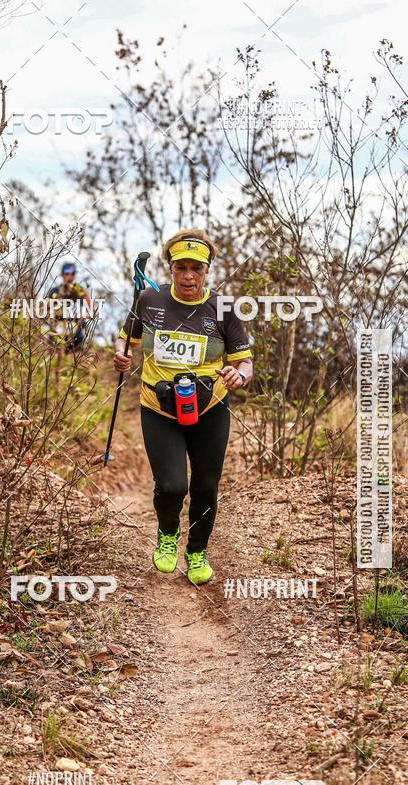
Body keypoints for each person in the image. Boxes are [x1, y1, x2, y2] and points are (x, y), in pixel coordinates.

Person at [113, 229, 253, 585]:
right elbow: (126, 339)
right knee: (174, 485)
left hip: (210, 408)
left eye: (196, 268)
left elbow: (244, 362)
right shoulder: (150, 299)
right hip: (158, 407)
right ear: (170, 268)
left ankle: (196, 551)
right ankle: (167, 533)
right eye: (181, 267)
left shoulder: (223, 308)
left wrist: (239, 376)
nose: (188, 276)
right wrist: (121, 355)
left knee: (206, 486)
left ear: (207, 270)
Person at [47, 262, 93, 352]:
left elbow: (92, 312)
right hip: (58, 331)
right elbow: (47, 311)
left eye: (73, 274)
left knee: (75, 355)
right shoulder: (54, 291)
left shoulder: (80, 291)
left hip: (75, 332)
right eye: (67, 273)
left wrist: (84, 315)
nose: (70, 277)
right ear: (62, 275)